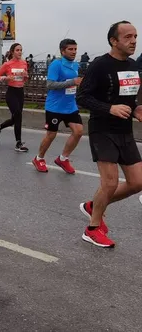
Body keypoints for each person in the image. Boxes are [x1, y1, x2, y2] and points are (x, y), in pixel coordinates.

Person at [76, 21, 142, 248]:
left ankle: (94, 205)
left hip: (124, 131)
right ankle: (92, 229)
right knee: (110, 183)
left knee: (138, 182)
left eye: (135, 36)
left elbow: (126, 96)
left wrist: (135, 109)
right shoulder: (99, 65)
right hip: (102, 129)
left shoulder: (133, 65)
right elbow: (82, 97)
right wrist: (109, 108)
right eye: (128, 37)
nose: (133, 41)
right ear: (114, 41)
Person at [32, 39, 83, 173]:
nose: (74, 52)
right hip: (55, 107)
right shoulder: (56, 64)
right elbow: (50, 85)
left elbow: (74, 83)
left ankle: (63, 158)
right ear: (62, 51)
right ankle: (39, 158)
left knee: (78, 131)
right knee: (51, 135)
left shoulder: (75, 65)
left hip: (70, 105)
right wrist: (72, 82)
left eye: (75, 49)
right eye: (70, 49)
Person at [0, 43, 29, 152]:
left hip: (20, 92)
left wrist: (26, 76)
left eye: (21, 50)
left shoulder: (24, 63)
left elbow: (25, 79)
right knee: (18, 115)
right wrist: (6, 77)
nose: (19, 52)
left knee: (15, 119)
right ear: (12, 52)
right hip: (11, 93)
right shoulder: (7, 64)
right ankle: (18, 143)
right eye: (17, 50)